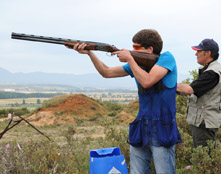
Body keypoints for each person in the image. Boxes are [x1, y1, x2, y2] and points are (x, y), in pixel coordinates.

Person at [69, 29, 182, 173]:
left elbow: (147, 81)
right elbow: (107, 72)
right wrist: (91, 53)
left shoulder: (166, 58)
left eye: (136, 48)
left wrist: (130, 59)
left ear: (150, 49)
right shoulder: (137, 65)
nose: (131, 50)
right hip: (141, 127)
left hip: (162, 129)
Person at [177, 38, 221, 148]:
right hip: (204, 121)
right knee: (205, 155)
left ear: (208, 53)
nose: (196, 54)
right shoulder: (212, 70)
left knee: (203, 157)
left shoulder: (212, 73)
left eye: (198, 51)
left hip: (204, 122)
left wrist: (169, 85)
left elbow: (189, 89)